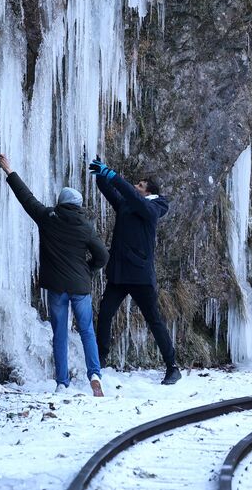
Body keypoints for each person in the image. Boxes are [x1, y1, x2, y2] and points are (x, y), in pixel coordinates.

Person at [0, 154, 109, 396]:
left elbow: (26, 198)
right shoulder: (86, 227)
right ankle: (95, 374)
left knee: (59, 333)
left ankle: (62, 382)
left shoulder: (48, 218)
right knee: (87, 330)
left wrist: (10, 171)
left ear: (60, 202)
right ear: (78, 206)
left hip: (57, 287)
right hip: (81, 286)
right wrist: (89, 270)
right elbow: (103, 256)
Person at [88, 156, 181, 385]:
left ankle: (172, 366)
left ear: (149, 191)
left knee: (154, 320)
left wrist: (114, 176)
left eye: (139, 185)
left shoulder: (157, 205)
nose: (135, 187)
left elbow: (142, 206)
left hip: (140, 276)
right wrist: (101, 175)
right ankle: (100, 359)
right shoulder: (127, 204)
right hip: (119, 274)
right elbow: (111, 192)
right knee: (105, 313)